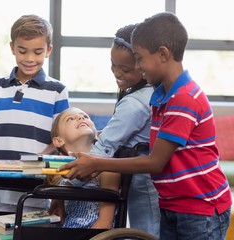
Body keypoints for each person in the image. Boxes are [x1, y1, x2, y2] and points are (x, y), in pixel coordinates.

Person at [58, 12, 232, 240]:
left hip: (200, 207)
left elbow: (156, 161)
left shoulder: (184, 98)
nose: (139, 67)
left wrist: (96, 162)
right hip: (173, 204)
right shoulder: (161, 96)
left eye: (139, 59)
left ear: (162, 54)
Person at [0, 14, 70, 212]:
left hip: (36, 189)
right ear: (12, 48)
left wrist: (39, 158)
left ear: (48, 50)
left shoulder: (57, 91)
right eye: (22, 51)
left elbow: (61, 139)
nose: (29, 59)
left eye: (37, 52)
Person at [90, 24, 159, 238]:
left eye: (126, 69)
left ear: (143, 62)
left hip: (145, 184)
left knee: (146, 232)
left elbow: (105, 147)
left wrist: (67, 178)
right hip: (147, 183)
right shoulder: (149, 93)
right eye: (113, 65)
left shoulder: (136, 103)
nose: (117, 73)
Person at [49, 107, 121, 229]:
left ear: (96, 135)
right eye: (70, 119)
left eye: (85, 117)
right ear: (58, 141)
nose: (81, 118)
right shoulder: (58, 173)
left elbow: (105, 223)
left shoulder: (107, 168)